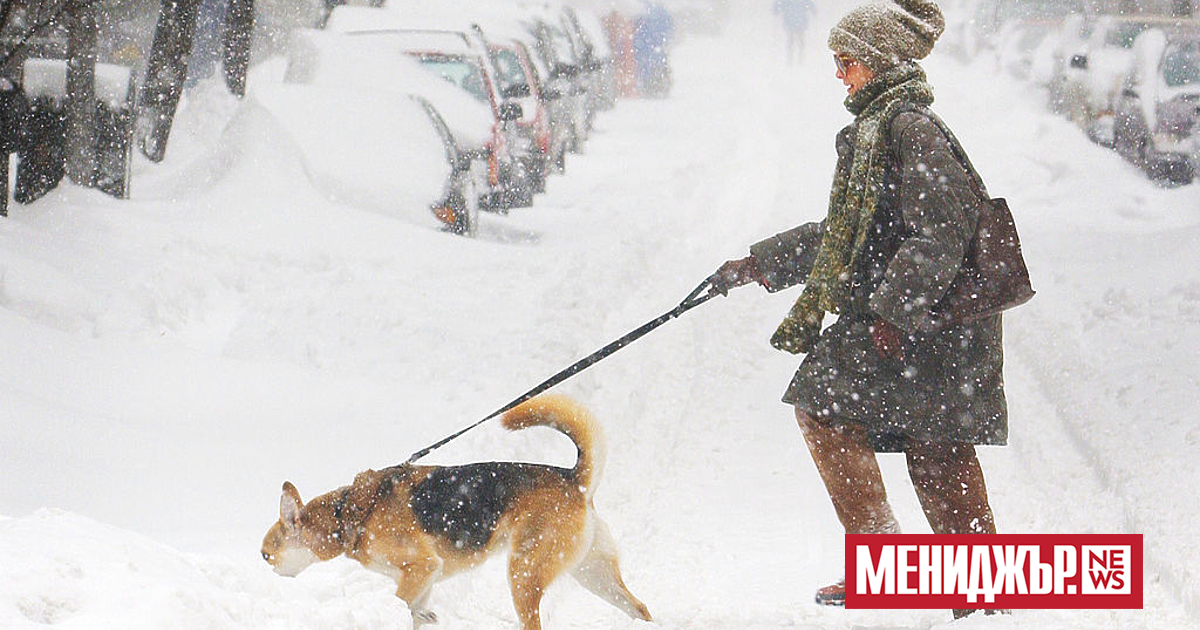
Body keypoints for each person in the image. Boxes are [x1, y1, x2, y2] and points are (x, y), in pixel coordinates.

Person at [710, 0, 1006, 619]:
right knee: (908, 433)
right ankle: (931, 574)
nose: (838, 74)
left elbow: (943, 232)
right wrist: (760, 264)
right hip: (917, 319)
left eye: (847, 62)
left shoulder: (908, 129)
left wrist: (893, 312)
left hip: (932, 323)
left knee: (912, 435)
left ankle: (962, 582)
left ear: (879, 62)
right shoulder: (879, 128)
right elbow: (849, 233)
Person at [773, 0, 816, 65]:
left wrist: (776, 10)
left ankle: (796, 60)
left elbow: (778, 7)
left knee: (795, 42)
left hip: (793, 22)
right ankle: (796, 60)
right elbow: (810, 6)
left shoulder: (787, 2)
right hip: (796, 22)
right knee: (796, 42)